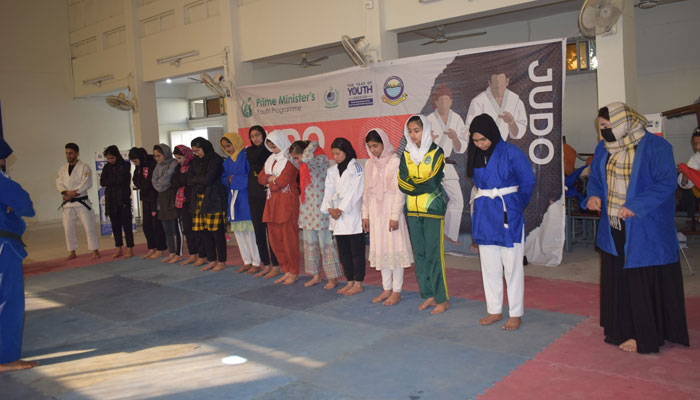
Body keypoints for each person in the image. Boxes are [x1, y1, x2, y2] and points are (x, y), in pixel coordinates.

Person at [585, 102, 689, 353]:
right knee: (619, 278)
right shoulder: (603, 148)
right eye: (601, 127)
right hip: (614, 224)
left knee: (641, 281)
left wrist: (637, 205)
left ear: (624, 123)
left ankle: (645, 336)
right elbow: (597, 179)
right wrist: (594, 195)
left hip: (645, 227)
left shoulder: (656, 146)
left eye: (608, 126)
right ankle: (621, 327)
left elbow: (666, 183)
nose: (604, 132)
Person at [467, 114, 535, 330]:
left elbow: (527, 182)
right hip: (486, 213)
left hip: (508, 212)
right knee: (489, 266)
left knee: (512, 265)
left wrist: (515, 206)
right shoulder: (476, 155)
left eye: (483, 140)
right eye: (476, 141)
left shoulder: (512, 153)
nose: (480, 144)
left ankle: (516, 313)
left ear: (493, 134)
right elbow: (478, 185)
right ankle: (494, 309)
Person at [398, 115, 449, 314]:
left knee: (434, 256)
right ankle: (428, 294)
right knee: (419, 255)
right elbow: (401, 183)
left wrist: (414, 184)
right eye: (410, 131)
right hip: (412, 210)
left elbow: (433, 183)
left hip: (432, 209)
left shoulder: (437, 152)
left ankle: (442, 299)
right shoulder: (406, 154)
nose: (413, 135)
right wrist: (418, 184)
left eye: (416, 130)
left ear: (425, 130)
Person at [0, 137, 39, 373]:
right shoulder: (2, 182)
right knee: (8, 300)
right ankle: (6, 358)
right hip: (4, 244)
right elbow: (26, 204)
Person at [362, 129, 413, 306]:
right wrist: (365, 215)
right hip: (376, 213)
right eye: (370, 147)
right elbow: (366, 192)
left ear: (384, 143)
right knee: (382, 250)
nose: (373, 150)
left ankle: (397, 291)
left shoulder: (395, 161)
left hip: (391, 211)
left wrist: (394, 215)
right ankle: (386, 288)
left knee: (394, 250)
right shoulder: (370, 164)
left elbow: (400, 192)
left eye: (375, 146)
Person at [289, 140, 342, 289]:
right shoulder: (303, 163)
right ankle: (316, 275)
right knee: (309, 244)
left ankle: (333, 277)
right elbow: (288, 156)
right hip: (307, 208)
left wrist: (311, 145)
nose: (296, 161)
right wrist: (297, 155)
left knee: (325, 244)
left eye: (297, 157)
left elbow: (305, 158)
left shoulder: (319, 158)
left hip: (321, 207)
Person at [425, 85, 468, 245]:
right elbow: (418, 146)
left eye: (446, 101)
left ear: (451, 101)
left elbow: (461, 147)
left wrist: (455, 138)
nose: (443, 105)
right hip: (431, 164)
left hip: (447, 162)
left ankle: (449, 235)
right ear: (435, 102)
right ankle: (432, 235)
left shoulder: (456, 119)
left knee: (458, 200)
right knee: (431, 200)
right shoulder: (428, 120)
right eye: (440, 101)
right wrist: (429, 140)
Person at [322, 138, 365, 296]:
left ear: (346, 152)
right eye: (333, 154)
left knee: (356, 252)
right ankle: (349, 281)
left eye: (338, 153)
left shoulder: (356, 168)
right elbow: (327, 191)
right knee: (344, 252)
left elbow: (356, 191)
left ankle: (358, 282)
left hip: (352, 214)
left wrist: (341, 208)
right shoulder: (331, 171)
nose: (335, 157)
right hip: (337, 216)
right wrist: (330, 208)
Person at [258, 130, 300, 285]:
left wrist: (271, 182)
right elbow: (260, 178)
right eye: (270, 146)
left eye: (274, 145)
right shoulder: (270, 159)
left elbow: (283, 181)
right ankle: (286, 269)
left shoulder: (291, 159)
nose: (273, 149)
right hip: (272, 202)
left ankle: (294, 271)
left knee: (288, 238)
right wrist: (271, 180)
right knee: (275, 239)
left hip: (287, 201)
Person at [220, 132, 260, 273]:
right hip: (233, 199)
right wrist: (229, 180)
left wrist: (234, 180)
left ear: (235, 143)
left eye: (229, 145)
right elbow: (224, 178)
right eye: (225, 147)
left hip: (246, 196)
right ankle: (246, 261)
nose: (228, 149)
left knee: (250, 232)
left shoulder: (246, 156)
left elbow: (249, 176)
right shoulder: (227, 161)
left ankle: (256, 261)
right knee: (238, 232)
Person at [56, 142, 100, 261]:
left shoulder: (84, 167)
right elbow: (59, 183)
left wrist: (74, 193)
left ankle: (95, 250)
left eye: (71, 153)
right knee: (68, 228)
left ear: (77, 153)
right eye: (66, 153)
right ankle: (72, 251)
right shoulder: (62, 169)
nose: (68, 155)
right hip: (68, 203)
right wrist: (66, 193)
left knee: (89, 226)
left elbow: (86, 182)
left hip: (81, 201)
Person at [189, 137, 228, 271]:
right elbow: (189, 179)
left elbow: (209, 179)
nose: (196, 153)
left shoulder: (215, 159)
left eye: (198, 150)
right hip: (199, 198)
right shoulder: (194, 162)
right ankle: (211, 259)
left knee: (217, 232)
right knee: (203, 231)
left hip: (214, 198)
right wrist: (199, 179)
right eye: (194, 151)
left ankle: (221, 261)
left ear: (204, 147)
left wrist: (197, 179)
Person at [246, 126, 279, 277]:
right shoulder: (250, 151)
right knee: (259, 232)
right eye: (252, 136)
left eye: (258, 135)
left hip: (268, 195)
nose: (255, 139)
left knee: (271, 232)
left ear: (263, 136)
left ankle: (276, 265)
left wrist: (265, 146)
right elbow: (254, 158)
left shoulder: (270, 152)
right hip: (254, 195)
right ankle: (266, 264)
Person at [466, 72, 527, 141]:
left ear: (507, 82)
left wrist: (511, 123)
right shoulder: (478, 102)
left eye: (501, 86)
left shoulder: (516, 101)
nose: (499, 90)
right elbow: (470, 129)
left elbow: (519, 133)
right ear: (490, 83)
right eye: (495, 87)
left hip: (504, 146)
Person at [129, 147, 167, 259]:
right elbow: (135, 180)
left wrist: (144, 185)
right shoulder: (138, 167)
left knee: (157, 224)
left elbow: (152, 181)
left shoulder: (152, 163)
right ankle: (152, 247)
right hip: (145, 198)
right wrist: (143, 184)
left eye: (135, 161)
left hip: (155, 198)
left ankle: (160, 248)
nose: (135, 164)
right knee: (147, 225)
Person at [100, 145, 134, 258]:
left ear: (117, 155)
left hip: (123, 199)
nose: (110, 160)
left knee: (127, 225)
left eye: (112, 158)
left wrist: (112, 180)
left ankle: (130, 248)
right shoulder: (106, 167)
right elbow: (102, 182)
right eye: (108, 158)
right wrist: (113, 180)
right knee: (115, 226)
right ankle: (118, 247)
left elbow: (122, 180)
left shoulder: (125, 165)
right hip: (111, 200)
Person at [152, 144, 182, 263]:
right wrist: (160, 183)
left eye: (159, 155)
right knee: (166, 229)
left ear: (166, 154)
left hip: (171, 197)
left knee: (175, 227)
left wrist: (160, 182)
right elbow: (153, 180)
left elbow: (167, 178)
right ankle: (171, 252)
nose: (157, 158)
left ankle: (178, 253)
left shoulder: (173, 163)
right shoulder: (157, 166)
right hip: (162, 199)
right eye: (155, 156)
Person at [172, 145, 200, 265]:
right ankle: (193, 254)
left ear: (186, 155)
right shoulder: (178, 167)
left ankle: (201, 254)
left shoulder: (193, 164)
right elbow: (174, 182)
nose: (179, 161)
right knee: (187, 229)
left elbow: (188, 181)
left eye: (180, 158)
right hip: (183, 201)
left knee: (197, 229)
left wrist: (182, 181)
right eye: (177, 158)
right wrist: (182, 181)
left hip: (193, 199)